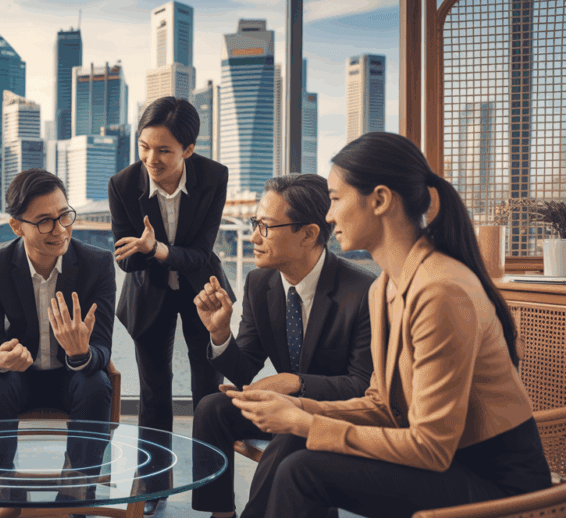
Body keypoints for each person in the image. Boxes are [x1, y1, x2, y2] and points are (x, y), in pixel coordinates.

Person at [227, 132, 552, 517]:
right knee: (296, 445)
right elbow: (382, 404)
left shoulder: (441, 291)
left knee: (303, 468)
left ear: (379, 200)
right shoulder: (384, 287)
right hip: (449, 465)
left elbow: (430, 447)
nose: (328, 215)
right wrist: (297, 408)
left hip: (498, 484)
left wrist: (304, 420)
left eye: (334, 199)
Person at [189, 173, 376, 518]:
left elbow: (363, 386)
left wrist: (296, 383)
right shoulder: (260, 283)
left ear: (308, 234)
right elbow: (245, 368)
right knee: (212, 408)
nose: (254, 236)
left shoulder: (363, 291)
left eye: (266, 227)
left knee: (293, 430)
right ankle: (220, 514)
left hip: (338, 415)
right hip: (287, 405)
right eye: (255, 223)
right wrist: (219, 334)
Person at [108, 96, 234, 515]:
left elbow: (200, 254)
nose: (151, 158)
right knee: (154, 393)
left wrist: (157, 248)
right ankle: (153, 488)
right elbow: (125, 257)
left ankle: (214, 494)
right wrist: (144, 252)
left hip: (203, 291)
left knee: (207, 395)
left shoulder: (214, 177)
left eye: (164, 150)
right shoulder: (123, 184)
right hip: (149, 294)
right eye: (144, 146)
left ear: (189, 149)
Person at [0, 169, 115, 477]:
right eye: (44, 221)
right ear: (16, 226)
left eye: (65, 216)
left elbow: (103, 347)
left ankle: (78, 489)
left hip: (72, 375)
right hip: (20, 377)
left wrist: (81, 353)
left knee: (96, 384)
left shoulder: (97, 265)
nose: (60, 229)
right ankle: (3, 487)